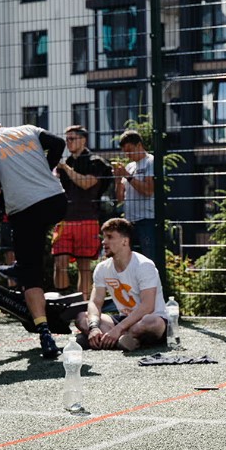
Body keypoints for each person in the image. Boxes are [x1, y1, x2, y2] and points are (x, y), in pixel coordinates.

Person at [0, 115, 68, 359]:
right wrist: (46, 167)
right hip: (56, 201)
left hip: (26, 208)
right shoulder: (26, 129)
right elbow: (58, 143)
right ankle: (20, 266)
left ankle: (44, 332)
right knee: (33, 245)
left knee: (30, 273)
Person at [75, 217, 168, 350]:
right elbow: (95, 302)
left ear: (125, 241)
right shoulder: (102, 268)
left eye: (110, 237)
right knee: (82, 317)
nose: (103, 241)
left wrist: (118, 329)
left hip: (146, 320)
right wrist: (94, 327)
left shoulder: (144, 265)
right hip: (124, 320)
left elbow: (148, 306)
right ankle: (123, 340)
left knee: (152, 322)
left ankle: (106, 339)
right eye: (103, 237)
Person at [53, 125, 112, 299]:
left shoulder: (96, 162)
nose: (68, 143)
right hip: (64, 220)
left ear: (83, 139)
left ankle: (82, 306)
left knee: (84, 267)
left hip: (87, 219)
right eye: (67, 139)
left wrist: (66, 169)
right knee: (59, 262)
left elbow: (86, 183)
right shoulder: (65, 165)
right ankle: (62, 302)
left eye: (72, 139)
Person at [112, 130, 156, 261]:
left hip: (146, 220)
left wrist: (127, 176)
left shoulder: (151, 162)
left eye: (130, 150)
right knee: (132, 262)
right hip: (130, 222)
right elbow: (120, 199)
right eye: (125, 152)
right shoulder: (130, 166)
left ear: (139, 145)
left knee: (148, 260)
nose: (127, 155)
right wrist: (118, 179)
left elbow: (148, 190)